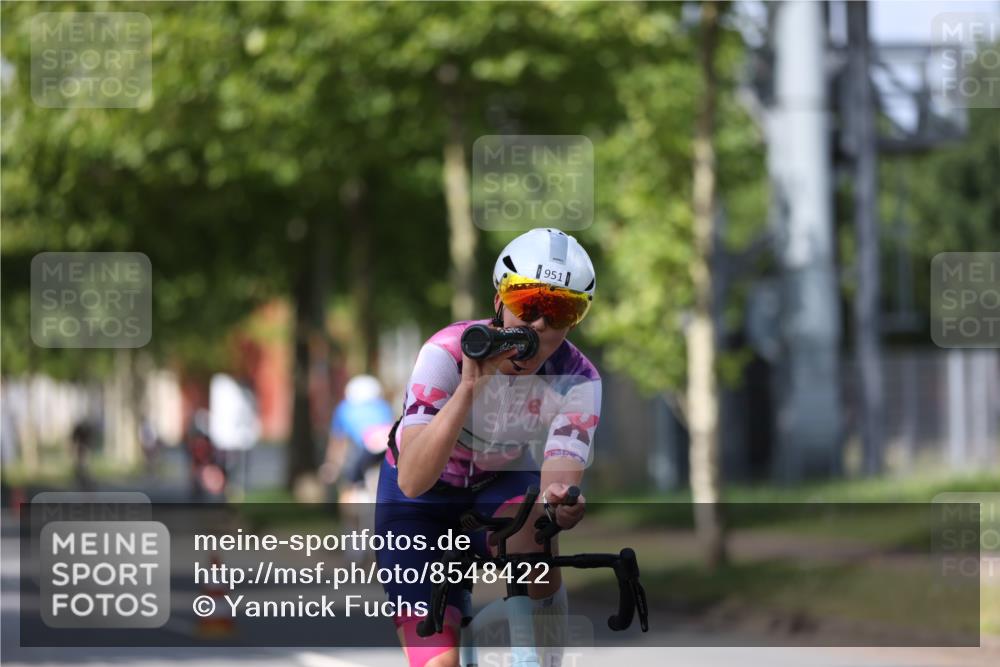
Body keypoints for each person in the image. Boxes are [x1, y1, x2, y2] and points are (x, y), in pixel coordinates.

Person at [375, 228, 600, 667]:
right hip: (415, 501)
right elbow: (414, 479)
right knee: (438, 661)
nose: (538, 324)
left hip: (496, 483)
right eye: (527, 304)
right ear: (499, 302)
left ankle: (541, 659)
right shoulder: (445, 353)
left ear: (574, 321)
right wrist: (469, 388)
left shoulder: (579, 378)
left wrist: (562, 501)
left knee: (538, 525)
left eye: (559, 310)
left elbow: (558, 478)